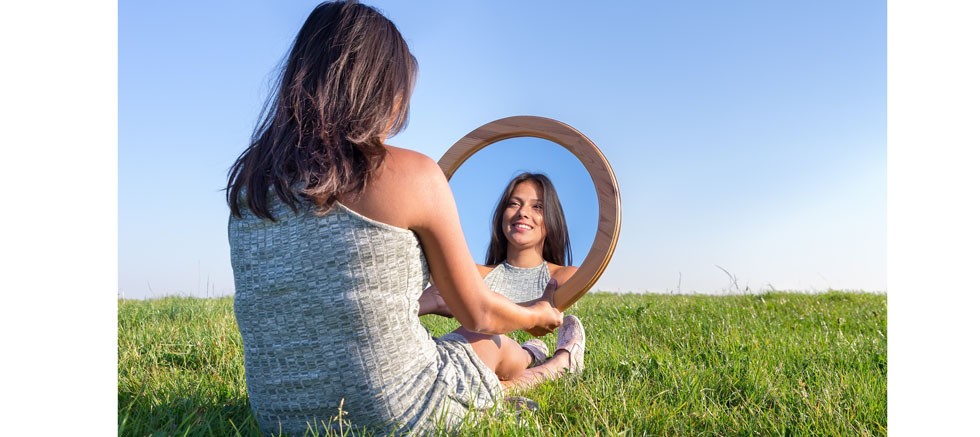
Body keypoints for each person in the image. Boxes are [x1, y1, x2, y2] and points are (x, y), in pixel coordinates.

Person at [225, 1, 585, 434]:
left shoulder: (248, 185)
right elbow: (479, 313)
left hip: (279, 419)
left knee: (465, 347)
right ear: (382, 90)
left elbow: (318, 298)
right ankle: (552, 364)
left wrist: (424, 301)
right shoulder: (412, 174)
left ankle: (521, 368)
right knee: (483, 342)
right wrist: (537, 315)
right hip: (397, 414)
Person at [419, 173, 583, 374]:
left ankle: (536, 357)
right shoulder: (474, 273)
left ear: (551, 219)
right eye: (514, 204)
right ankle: (543, 360)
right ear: (501, 215)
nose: (523, 212)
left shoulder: (566, 277)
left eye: (537, 207)